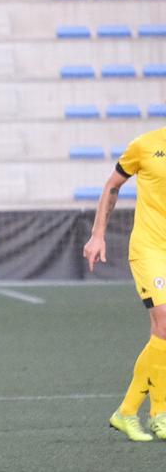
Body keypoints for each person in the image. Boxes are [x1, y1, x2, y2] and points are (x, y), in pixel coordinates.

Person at [84, 129, 166, 442]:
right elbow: (112, 185)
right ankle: (140, 413)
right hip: (149, 249)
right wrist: (98, 234)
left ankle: (146, 413)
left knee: (161, 335)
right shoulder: (145, 146)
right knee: (165, 324)